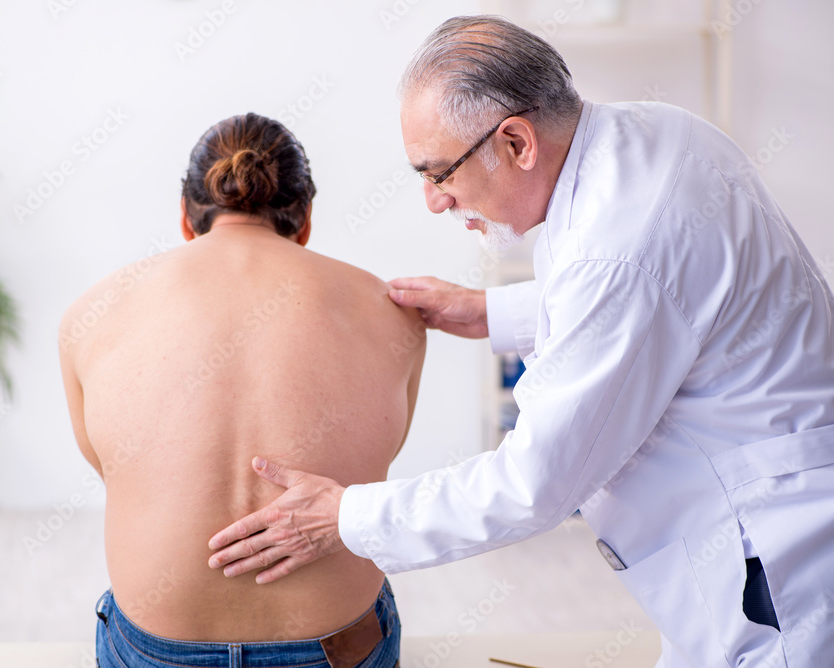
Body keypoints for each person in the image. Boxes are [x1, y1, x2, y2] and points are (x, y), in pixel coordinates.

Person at [206, 16, 834, 668]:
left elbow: (534, 484)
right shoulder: (660, 132)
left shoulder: (614, 251)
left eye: (440, 173)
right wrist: (490, 310)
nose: (434, 201)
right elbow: (674, 301)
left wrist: (343, 517)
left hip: (768, 564)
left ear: (516, 143)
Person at [58, 112, 425, 668]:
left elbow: (115, 470)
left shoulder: (90, 313)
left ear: (186, 218)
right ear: (305, 220)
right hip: (338, 648)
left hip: (155, 651)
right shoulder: (394, 312)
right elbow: (382, 456)